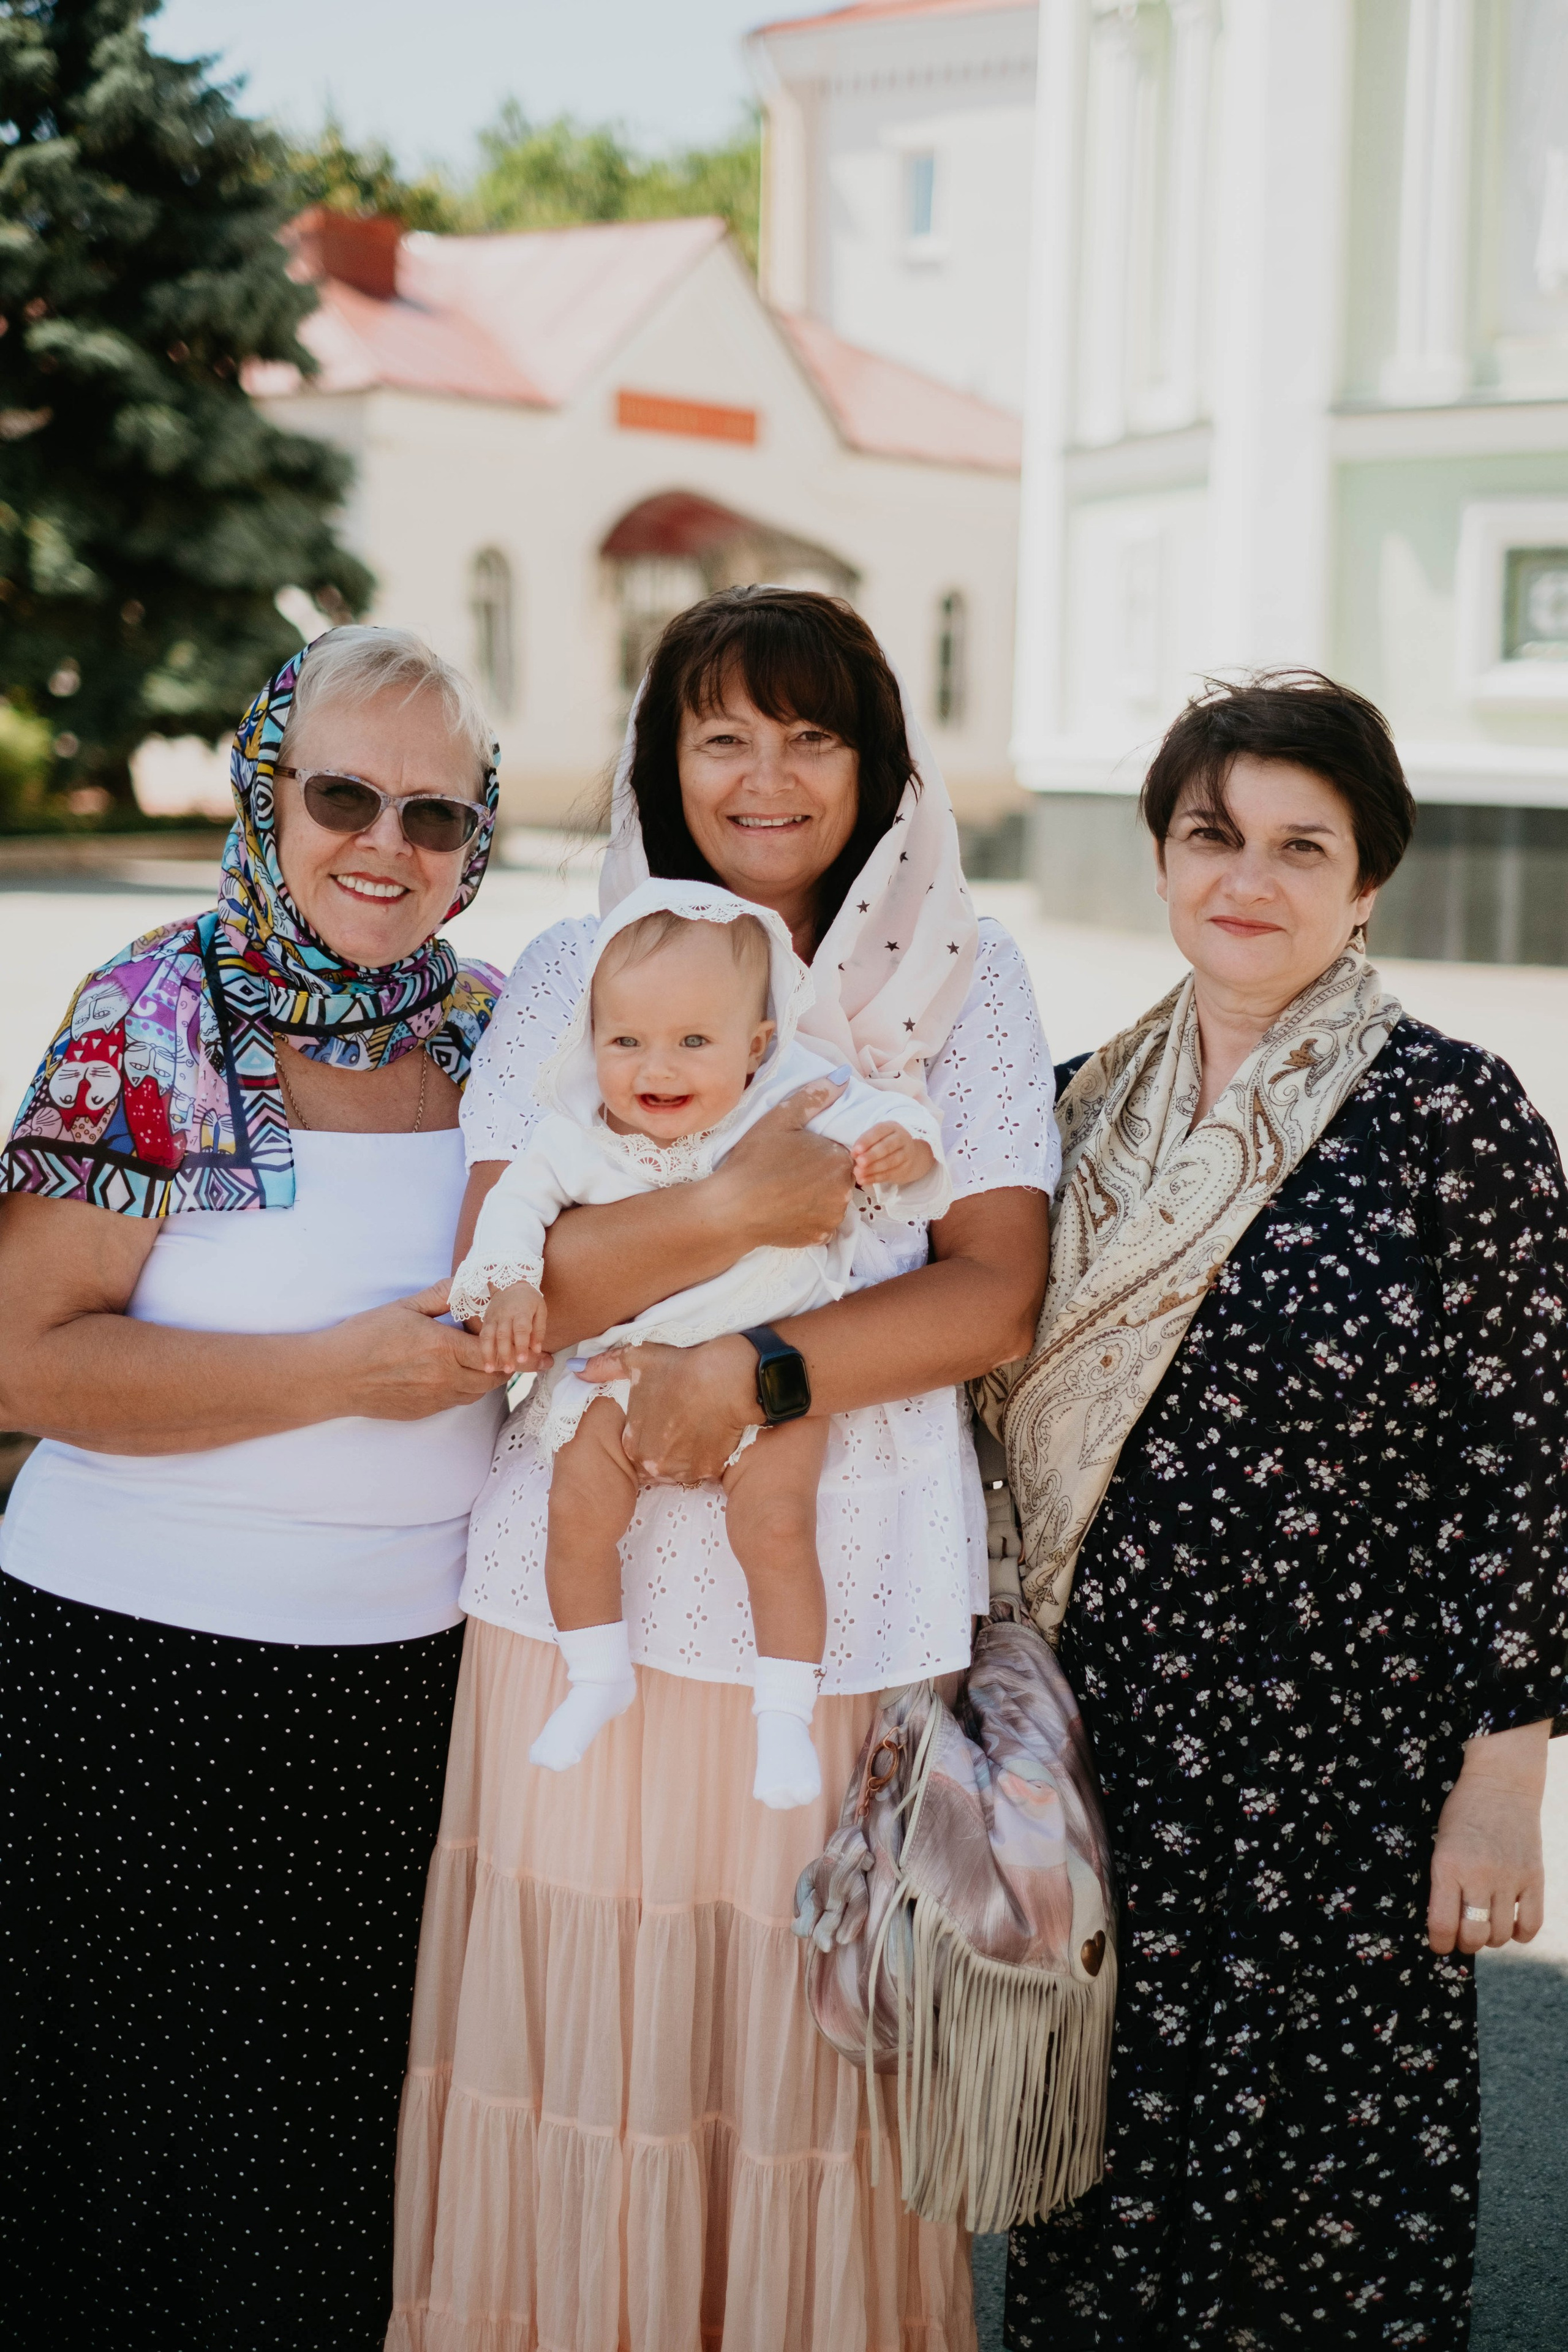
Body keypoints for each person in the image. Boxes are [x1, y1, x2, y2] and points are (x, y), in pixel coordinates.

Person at [386, 586, 1055, 2350]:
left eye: (812, 735)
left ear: (878, 764)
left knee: (799, 2061)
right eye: (722, 735)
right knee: (578, 2032)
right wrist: (736, 1213)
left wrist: (752, 1370)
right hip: (579, 1600)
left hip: (824, 1610)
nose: (766, 777)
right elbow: (500, 1288)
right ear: (661, 760)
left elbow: (992, 1293)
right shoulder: (569, 975)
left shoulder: (966, 987)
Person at [1001, 672, 1568, 2350]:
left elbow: (1529, 1466)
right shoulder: (1068, 1110)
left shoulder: (1451, 1118)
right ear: (1165, 856)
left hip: (1351, 1781)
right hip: (1109, 1760)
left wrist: (1502, 1784)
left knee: (1321, 2221)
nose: (1247, 878)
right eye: (1212, 835)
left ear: (1368, 879)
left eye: (1299, 847)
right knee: (1097, 2210)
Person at [0, 628, 511, 2351]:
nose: (387, 844)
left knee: (324, 2194)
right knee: (127, 2196)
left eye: (436, 813)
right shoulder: (155, 1008)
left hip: (399, 1707)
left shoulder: (499, 1033)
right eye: (345, 794)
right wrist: (334, 1376)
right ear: (266, 788)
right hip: (133, 1691)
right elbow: (22, 1361)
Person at [450, 878, 947, 1803]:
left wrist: (904, 1155)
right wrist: (512, 1280)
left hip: (763, 1365)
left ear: (757, 1046)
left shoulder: (791, 1102)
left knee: (777, 1526)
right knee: (579, 1508)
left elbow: (896, 1126)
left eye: (693, 1042)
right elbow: (513, 1211)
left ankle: (783, 1716)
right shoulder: (581, 1137)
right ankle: (596, 1674)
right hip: (621, 1370)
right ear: (590, 1039)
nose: (657, 1069)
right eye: (626, 1041)